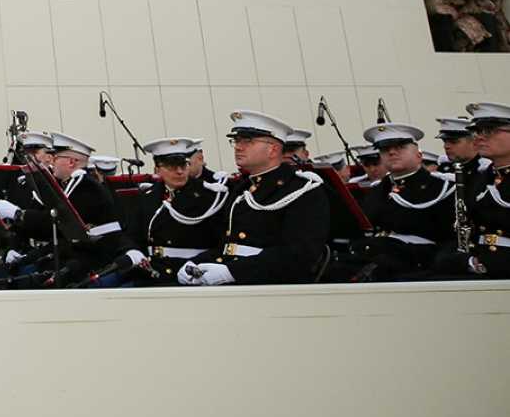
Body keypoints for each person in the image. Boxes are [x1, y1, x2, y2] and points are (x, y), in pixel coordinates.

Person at [177, 111, 328, 287]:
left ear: (273, 149)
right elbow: (229, 246)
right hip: (241, 282)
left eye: (247, 141)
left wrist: (233, 272)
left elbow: (299, 254)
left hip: (274, 288)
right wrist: (195, 263)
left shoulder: (303, 189)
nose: (238, 147)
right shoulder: (243, 189)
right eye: (237, 140)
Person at [93, 137, 227, 286]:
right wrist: (132, 250)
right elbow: (131, 234)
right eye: (172, 166)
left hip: (186, 271)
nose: (179, 171)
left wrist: (197, 264)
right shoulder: (148, 196)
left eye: (183, 165)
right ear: (157, 169)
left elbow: (221, 243)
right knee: (97, 285)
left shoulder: (208, 196)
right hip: (150, 267)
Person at [0, 132, 123, 284]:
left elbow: (56, 222)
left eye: (56, 158)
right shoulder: (75, 184)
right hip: (68, 255)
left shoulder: (87, 188)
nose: (52, 161)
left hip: (87, 261)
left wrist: (18, 214)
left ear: (71, 162)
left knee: (17, 281)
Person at [345, 122, 454, 281]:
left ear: (418, 154)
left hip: (417, 262)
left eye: (400, 147)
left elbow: (448, 237)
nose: (392, 152)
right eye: (385, 149)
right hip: (377, 254)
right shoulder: (378, 189)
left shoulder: (440, 188)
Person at [433, 101, 510, 279]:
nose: (479, 137)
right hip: (480, 261)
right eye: (477, 131)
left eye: (489, 130)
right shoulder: (479, 179)